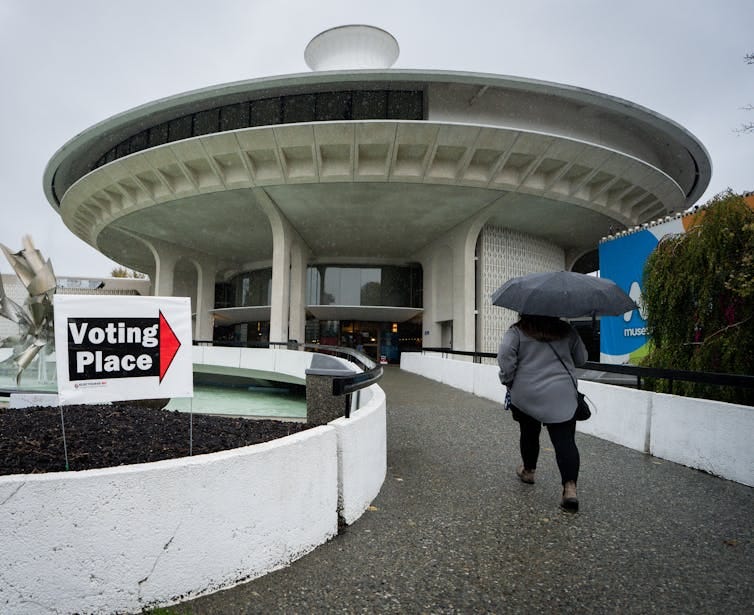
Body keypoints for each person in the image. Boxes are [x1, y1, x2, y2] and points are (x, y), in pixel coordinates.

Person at [497, 314, 588, 512]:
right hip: (562, 394)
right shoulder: (567, 331)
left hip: (526, 394)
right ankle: (570, 489)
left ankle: (528, 471)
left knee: (529, 433)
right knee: (565, 440)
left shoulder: (517, 331)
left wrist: (508, 380)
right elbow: (582, 359)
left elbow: (505, 358)